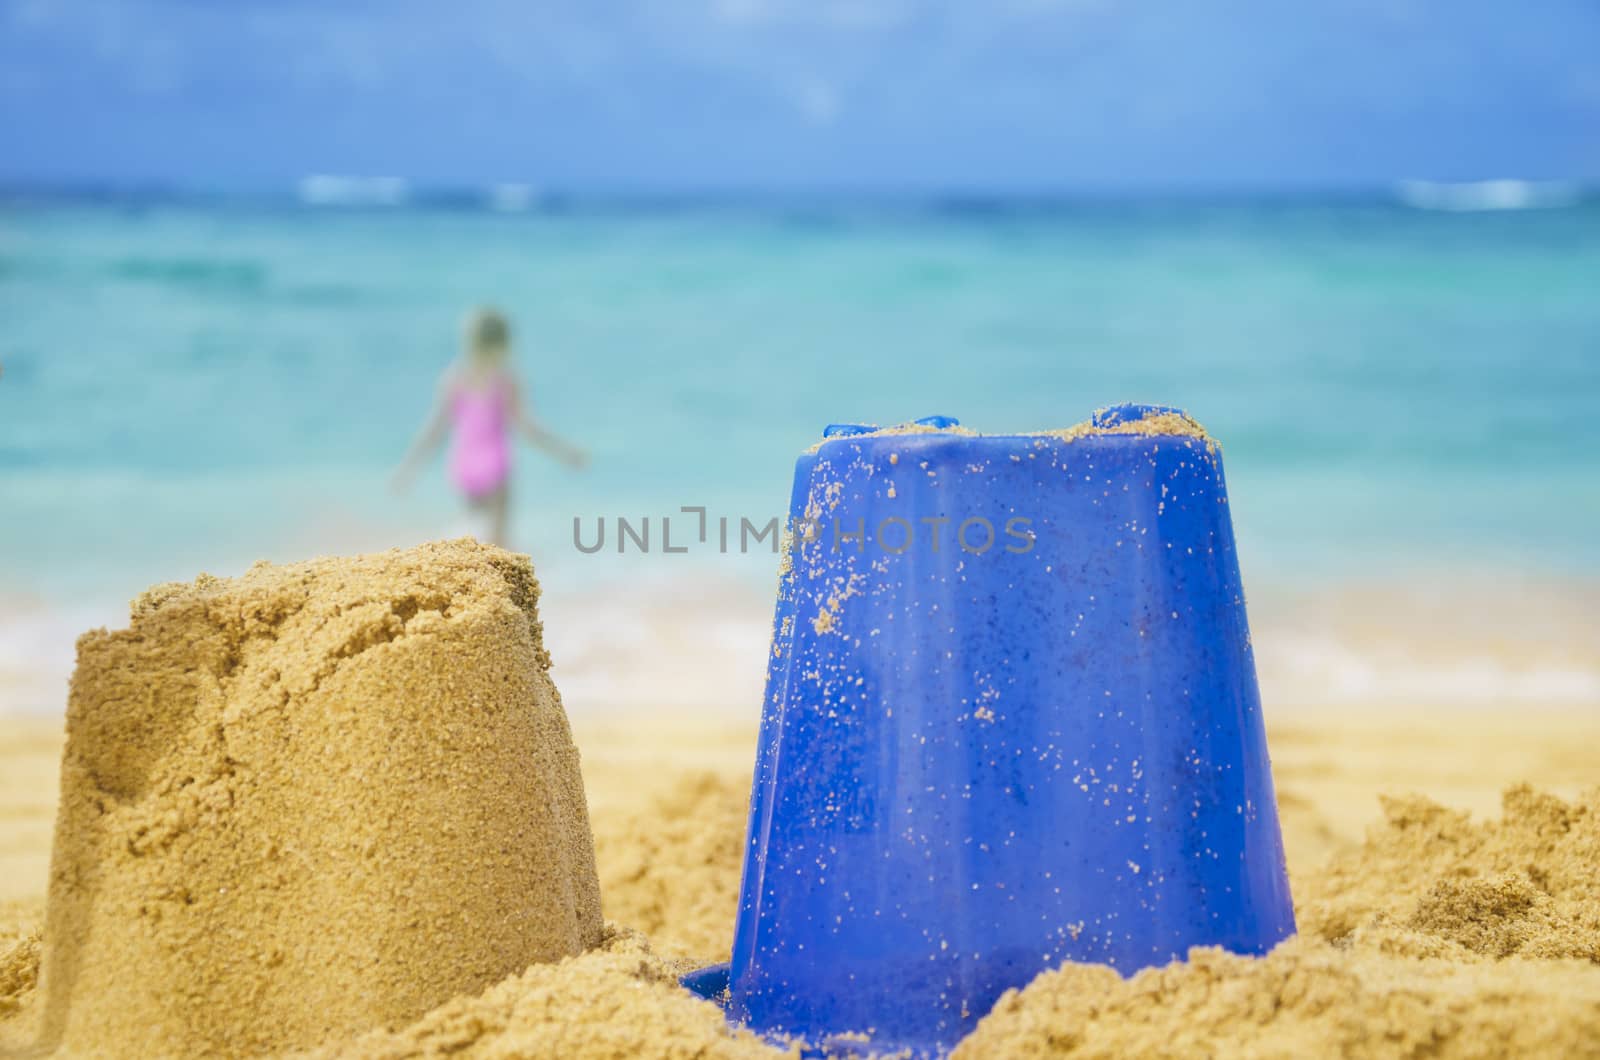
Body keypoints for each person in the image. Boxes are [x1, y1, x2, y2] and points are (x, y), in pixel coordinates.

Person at [392, 307, 587, 547]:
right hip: (495, 466)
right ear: (503, 342)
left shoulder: (454, 378)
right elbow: (528, 428)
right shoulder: (505, 379)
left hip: (464, 466)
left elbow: (434, 430)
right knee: (501, 542)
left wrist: (408, 468)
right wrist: (566, 452)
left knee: (474, 535)